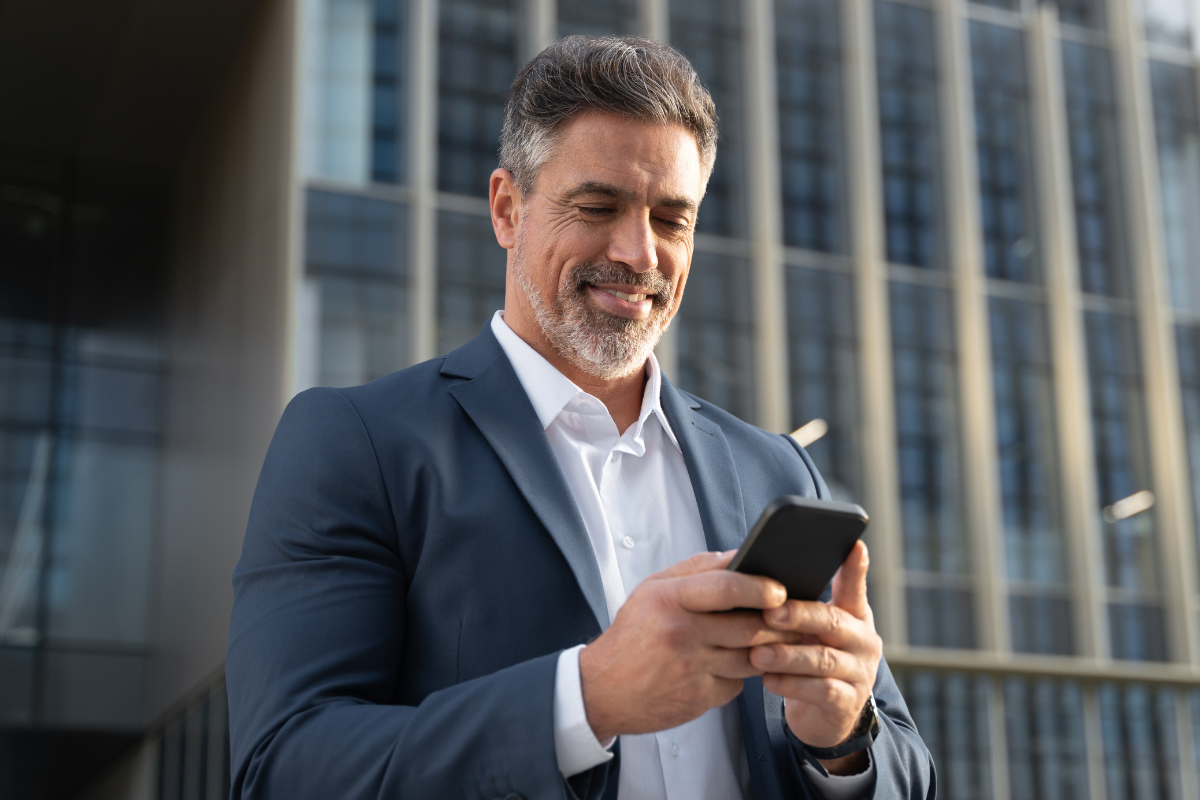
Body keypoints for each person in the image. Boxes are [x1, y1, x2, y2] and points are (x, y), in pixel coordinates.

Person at [227, 36, 934, 800]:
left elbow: (907, 773)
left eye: (672, 220)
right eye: (599, 207)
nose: (640, 254)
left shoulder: (775, 468)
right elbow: (285, 768)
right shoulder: (356, 444)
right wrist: (584, 698)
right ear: (507, 208)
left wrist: (839, 740)